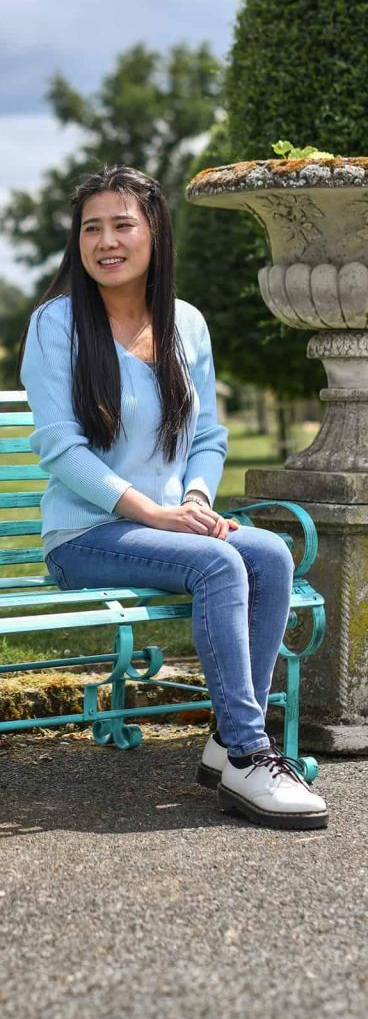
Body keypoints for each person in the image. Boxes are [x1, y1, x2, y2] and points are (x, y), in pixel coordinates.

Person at [19, 164, 327, 831]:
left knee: (269, 554)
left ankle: (226, 738)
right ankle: (250, 752)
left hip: (168, 523)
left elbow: (208, 435)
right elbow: (59, 449)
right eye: (91, 228)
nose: (106, 241)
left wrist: (192, 495)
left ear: (154, 231)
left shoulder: (186, 325)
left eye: (122, 224)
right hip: (86, 536)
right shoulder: (56, 326)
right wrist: (152, 511)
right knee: (217, 563)